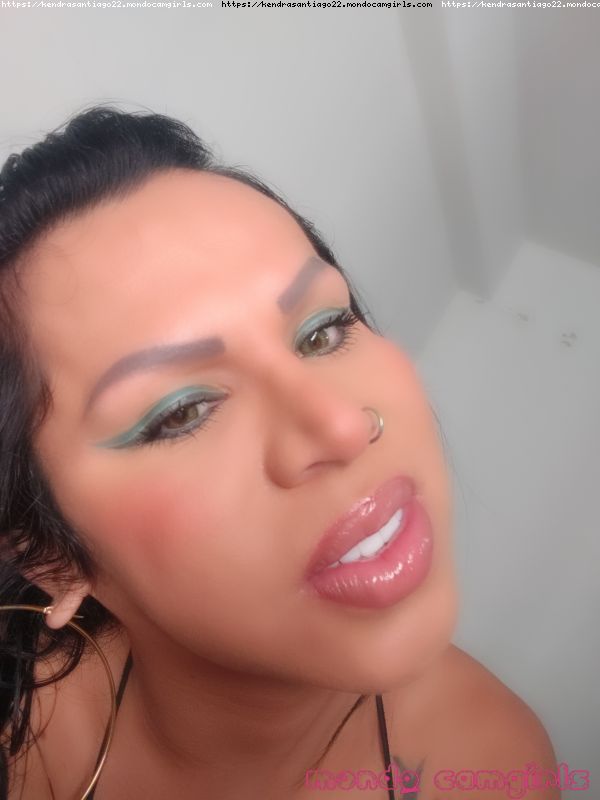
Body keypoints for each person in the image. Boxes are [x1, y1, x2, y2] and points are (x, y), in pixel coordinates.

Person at [0, 105, 559, 800]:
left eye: (323, 331)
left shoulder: (495, 766)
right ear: (51, 557)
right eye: (181, 413)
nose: (342, 426)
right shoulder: (23, 708)